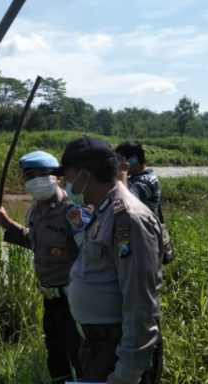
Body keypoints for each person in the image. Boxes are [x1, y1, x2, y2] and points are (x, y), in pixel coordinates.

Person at [52, 136, 163, 384]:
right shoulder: (103, 210)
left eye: (67, 176)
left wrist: (127, 372)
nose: (65, 183)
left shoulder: (128, 219)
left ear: (85, 175)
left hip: (118, 351)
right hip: (100, 346)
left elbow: (140, 303)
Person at [0, 150, 88, 383]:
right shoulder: (35, 211)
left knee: (81, 357)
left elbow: (91, 255)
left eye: (41, 174)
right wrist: (7, 224)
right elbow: (36, 242)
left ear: (57, 177)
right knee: (55, 357)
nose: (34, 179)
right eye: (29, 175)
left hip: (74, 301)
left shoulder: (73, 212)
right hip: (50, 300)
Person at [115, 140, 161, 215]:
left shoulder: (147, 181)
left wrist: (122, 173)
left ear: (133, 160)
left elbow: (126, 203)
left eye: (119, 159)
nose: (117, 163)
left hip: (142, 225)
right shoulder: (134, 178)